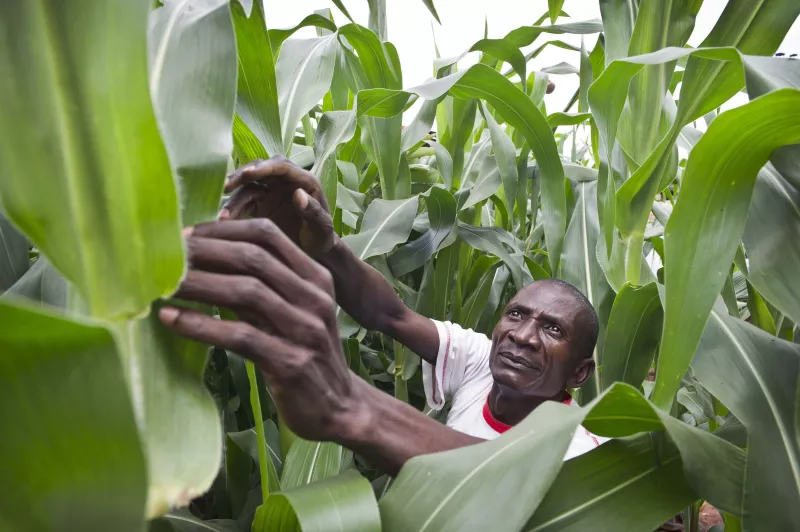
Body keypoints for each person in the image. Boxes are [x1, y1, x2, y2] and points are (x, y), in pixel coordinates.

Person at [159, 157, 607, 476]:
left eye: (552, 329)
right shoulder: (481, 363)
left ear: (581, 373)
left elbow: (498, 480)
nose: (523, 337)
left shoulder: (585, 459)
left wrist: (349, 404)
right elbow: (389, 315)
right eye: (516, 314)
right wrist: (329, 249)